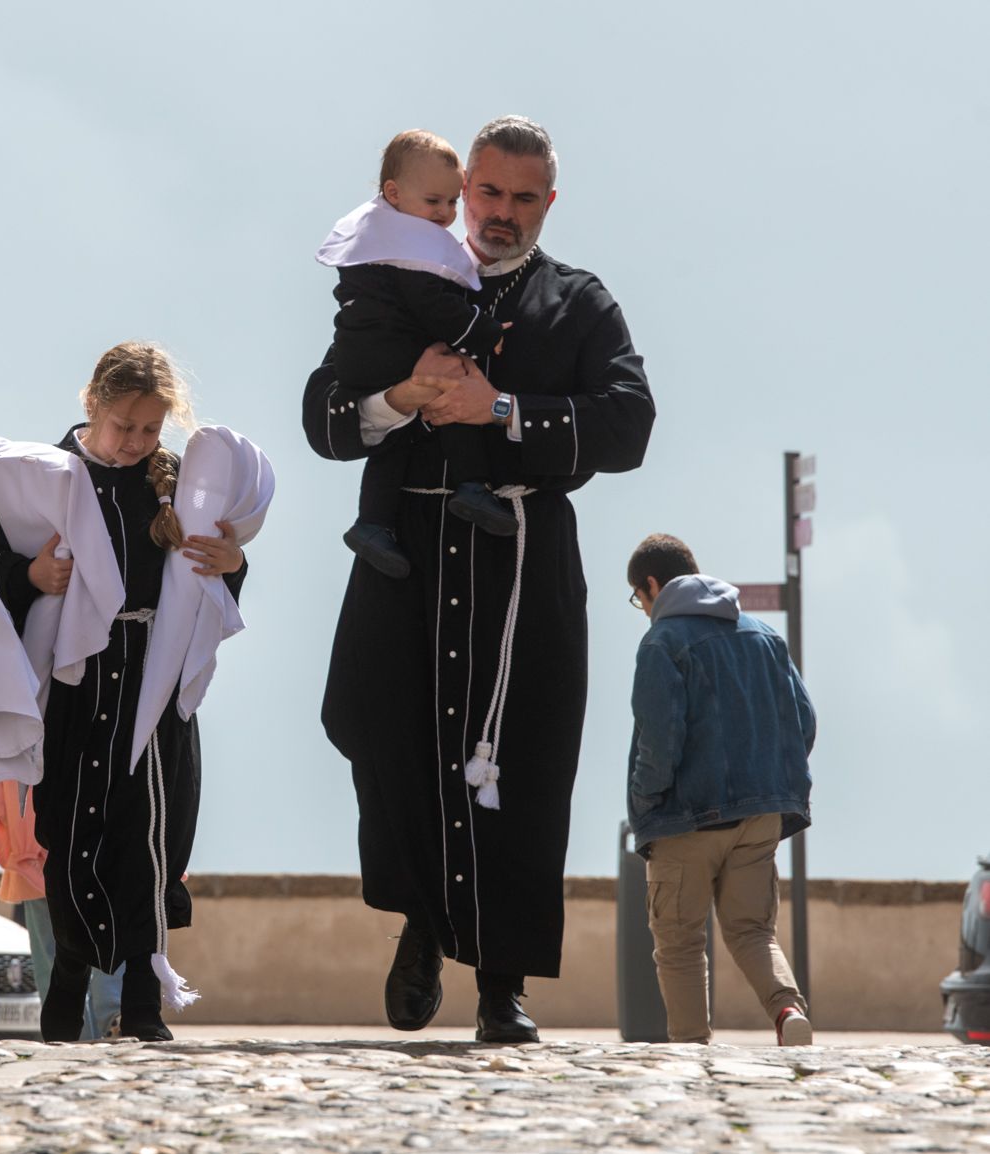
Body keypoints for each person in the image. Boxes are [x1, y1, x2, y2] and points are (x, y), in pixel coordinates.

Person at [301, 115, 656, 1043]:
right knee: (387, 736)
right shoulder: (396, 277)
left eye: (520, 199)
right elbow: (325, 416)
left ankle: (502, 985)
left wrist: (498, 408)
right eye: (485, 194)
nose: (499, 215)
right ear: (461, 193)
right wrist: (401, 397)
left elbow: (628, 424)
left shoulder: (578, 303)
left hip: (522, 554)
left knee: (525, 764)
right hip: (404, 549)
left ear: (548, 202)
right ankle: (420, 926)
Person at [0, 342, 247, 1042]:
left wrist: (233, 562)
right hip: (74, 685)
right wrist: (30, 578)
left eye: (149, 429)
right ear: (91, 404)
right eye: (123, 425)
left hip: (152, 677)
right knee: (70, 832)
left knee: (147, 837)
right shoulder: (40, 480)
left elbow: (213, 575)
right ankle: (66, 993)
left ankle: (145, 1005)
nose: (135, 442)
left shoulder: (176, 481)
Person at [626, 533, 817, 1046]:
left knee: (681, 943)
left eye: (637, 599)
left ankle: (692, 1047)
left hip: (685, 817)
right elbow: (805, 722)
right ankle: (788, 1012)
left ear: (651, 585)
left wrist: (647, 802)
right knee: (753, 930)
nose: (642, 610)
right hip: (761, 817)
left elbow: (660, 740)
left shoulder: (661, 642)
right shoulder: (763, 634)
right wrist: (771, 783)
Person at [318, 129, 514, 580]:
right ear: (393, 193)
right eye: (434, 202)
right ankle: (471, 486)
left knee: (395, 434)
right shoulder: (410, 245)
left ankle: (372, 524)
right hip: (389, 352)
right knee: (453, 389)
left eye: (452, 203)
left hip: (358, 354)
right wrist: (481, 333)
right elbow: (436, 307)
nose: (445, 215)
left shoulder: (377, 234)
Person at [0, 780, 125, 1039]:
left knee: (49, 955)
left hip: (31, 853)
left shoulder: (15, 737)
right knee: (104, 933)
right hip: (89, 843)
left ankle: (71, 1036)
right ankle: (111, 1012)